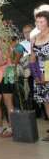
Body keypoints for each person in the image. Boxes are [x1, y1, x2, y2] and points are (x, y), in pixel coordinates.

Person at [30, 11, 49, 141]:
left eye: (42, 21)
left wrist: (46, 74)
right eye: (37, 21)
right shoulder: (34, 38)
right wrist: (36, 75)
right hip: (40, 73)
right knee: (47, 103)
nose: (39, 24)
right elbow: (32, 59)